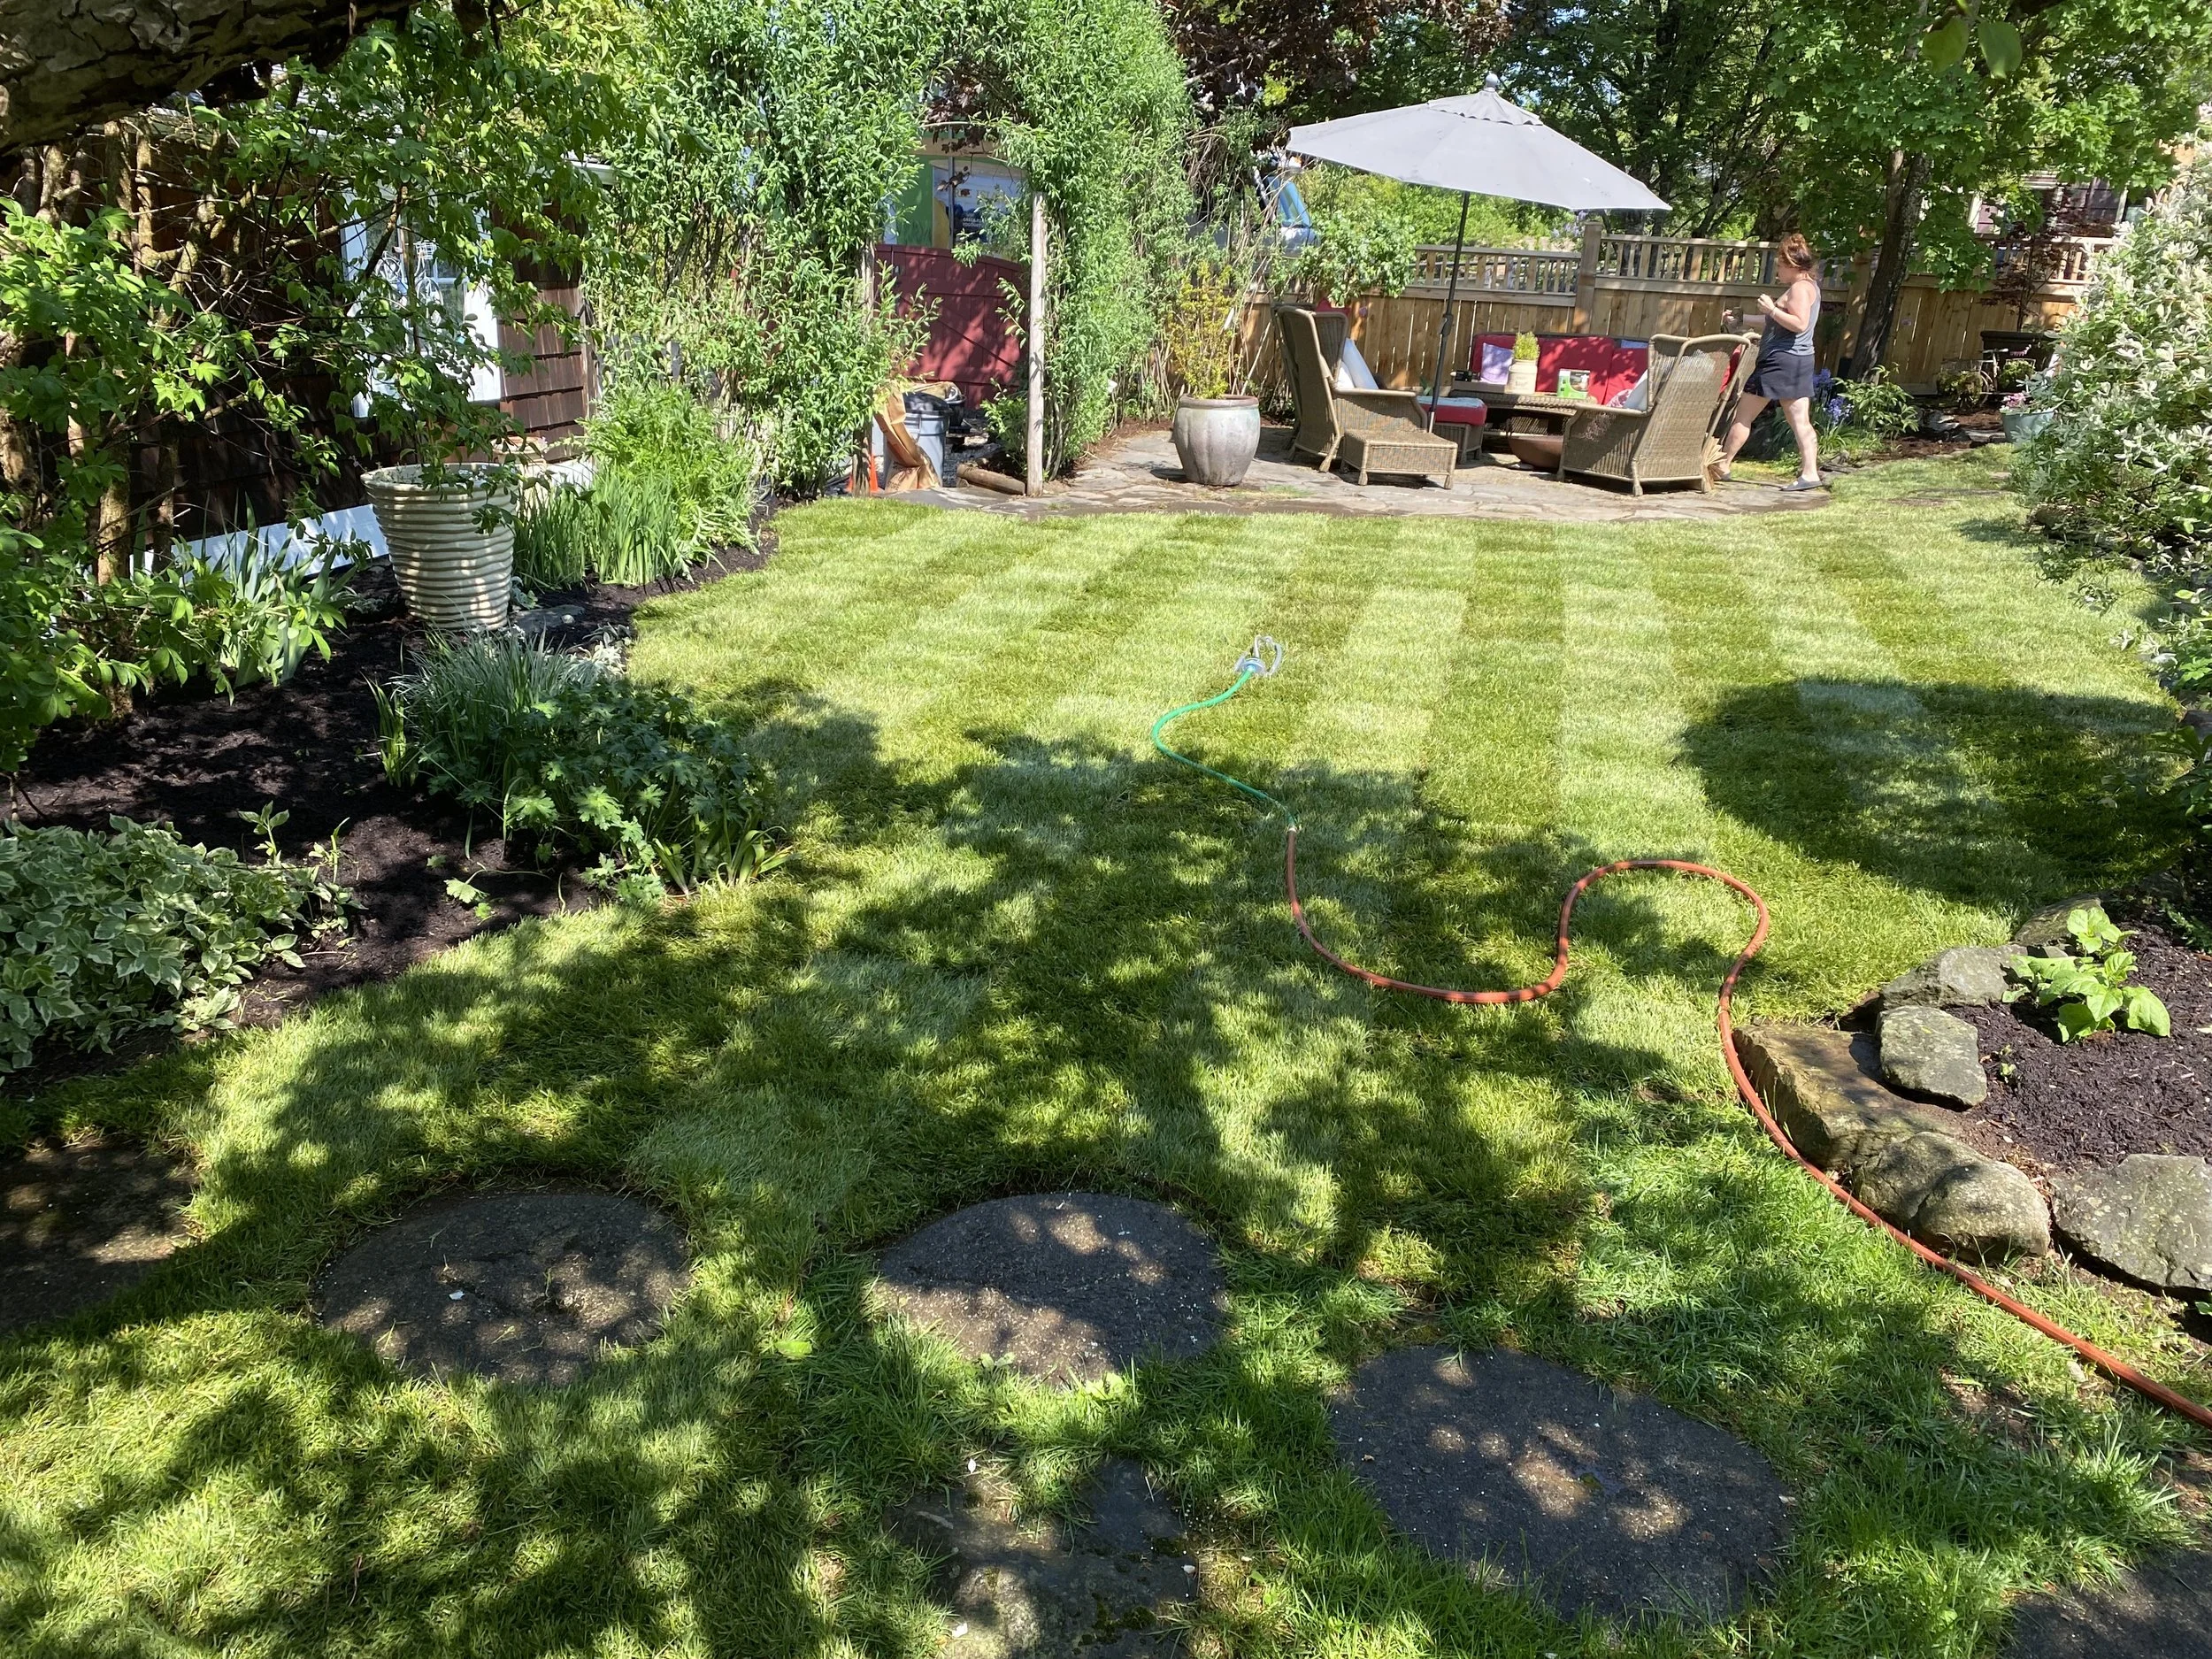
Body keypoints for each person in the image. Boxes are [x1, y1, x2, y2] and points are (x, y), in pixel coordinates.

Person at [1717, 232, 1824, 491]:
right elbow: (1775, 323)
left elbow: (1798, 324)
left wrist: (1772, 309)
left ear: (1791, 265)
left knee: (1743, 415)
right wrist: (1741, 320)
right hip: (1799, 361)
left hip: (1779, 362)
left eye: (1779, 265)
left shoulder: (1799, 289)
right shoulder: (1809, 287)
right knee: (1800, 419)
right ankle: (1810, 473)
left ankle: (1722, 465)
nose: (1777, 270)